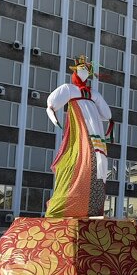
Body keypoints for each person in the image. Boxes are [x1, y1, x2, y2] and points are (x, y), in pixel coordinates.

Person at [45, 56, 113, 217]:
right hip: (80, 126)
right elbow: (51, 104)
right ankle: (71, 201)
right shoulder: (69, 89)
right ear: (75, 71)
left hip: (95, 129)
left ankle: (92, 205)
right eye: (82, 70)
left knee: (98, 161)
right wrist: (53, 116)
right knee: (80, 157)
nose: (84, 74)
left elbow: (107, 114)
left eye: (87, 71)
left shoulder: (93, 93)